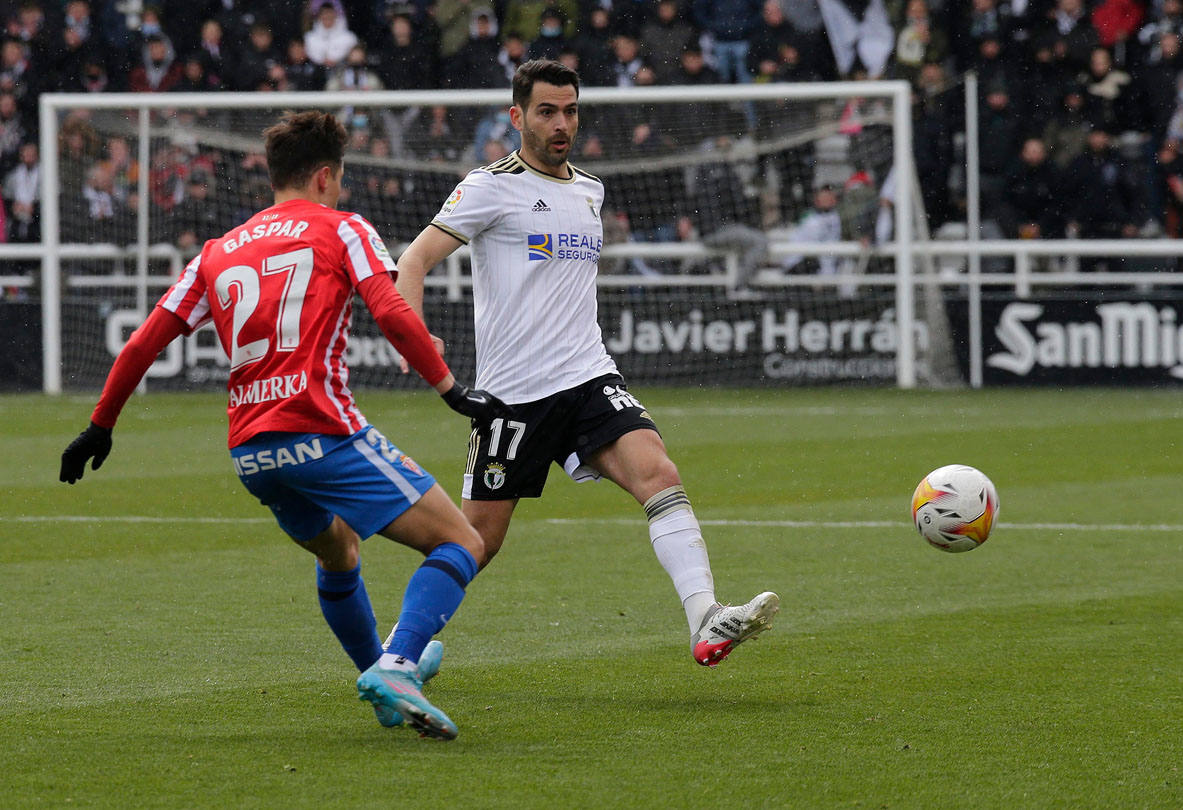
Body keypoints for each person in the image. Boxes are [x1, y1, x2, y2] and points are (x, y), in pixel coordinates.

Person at [59, 111, 510, 741]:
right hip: (321, 430)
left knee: (339, 550)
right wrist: (448, 387)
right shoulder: (343, 227)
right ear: (327, 176)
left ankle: (379, 679)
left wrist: (99, 426)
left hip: (251, 452)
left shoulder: (218, 252)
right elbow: (390, 309)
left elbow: (141, 344)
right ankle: (401, 664)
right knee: (462, 542)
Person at [395, 60, 780, 669]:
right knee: (475, 543)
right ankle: (399, 653)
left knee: (659, 474)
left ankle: (705, 618)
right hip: (512, 399)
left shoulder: (590, 190)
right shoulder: (489, 185)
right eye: (547, 111)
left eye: (570, 110)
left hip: (588, 376)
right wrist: (415, 342)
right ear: (516, 116)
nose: (561, 123)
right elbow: (412, 262)